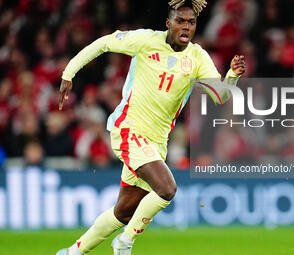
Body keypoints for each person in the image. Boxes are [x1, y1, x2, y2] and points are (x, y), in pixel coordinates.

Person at [56, 0, 246, 254]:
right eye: (180, 21)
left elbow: (219, 96)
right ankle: (125, 243)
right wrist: (69, 73)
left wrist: (232, 76)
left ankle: (72, 252)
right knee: (167, 188)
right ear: (168, 23)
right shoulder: (145, 41)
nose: (186, 27)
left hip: (156, 142)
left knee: (123, 212)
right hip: (128, 130)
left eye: (191, 22)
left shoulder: (198, 57)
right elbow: (104, 43)